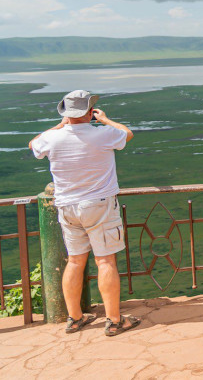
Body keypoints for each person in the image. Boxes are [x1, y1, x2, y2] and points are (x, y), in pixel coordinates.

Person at [28, 89, 140, 336]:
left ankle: (75, 318)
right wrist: (105, 119)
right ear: (90, 112)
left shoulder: (52, 137)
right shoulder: (103, 134)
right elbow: (127, 134)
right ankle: (114, 320)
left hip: (66, 206)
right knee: (105, 260)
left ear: (67, 114)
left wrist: (60, 125)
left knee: (76, 261)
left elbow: (33, 144)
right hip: (98, 205)